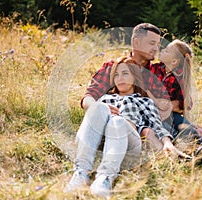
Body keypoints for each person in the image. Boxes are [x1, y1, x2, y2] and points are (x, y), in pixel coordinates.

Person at [65, 57, 188, 197]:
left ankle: (105, 177)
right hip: (101, 141)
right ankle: (81, 173)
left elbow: (157, 126)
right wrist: (101, 108)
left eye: (125, 74)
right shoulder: (105, 99)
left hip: (129, 143)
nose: (120, 78)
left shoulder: (145, 101)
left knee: (117, 122)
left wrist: (167, 143)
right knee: (96, 107)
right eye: (116, 75)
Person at [80, 23, 172, 149]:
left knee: (186, 128)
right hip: (116, 123)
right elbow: (88, 98)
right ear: (136, 43)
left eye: (157, 44)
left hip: (150, 124)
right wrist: (97, 107)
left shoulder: (154, 74)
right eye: (151, 43)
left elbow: (165, 108)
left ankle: (196, 154)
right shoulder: (113, 68)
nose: (156, 48)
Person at [148, 39, 202, 151]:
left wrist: (172, 106)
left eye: (167, 51)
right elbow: (145, 87)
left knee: (188, 129)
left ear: (174, 61)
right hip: (155, 113)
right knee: (167, 129)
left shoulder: (179, 78)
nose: (163, 50)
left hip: (172, 114)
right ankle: (183, 149)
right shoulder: (156, 69)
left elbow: (184, 103)